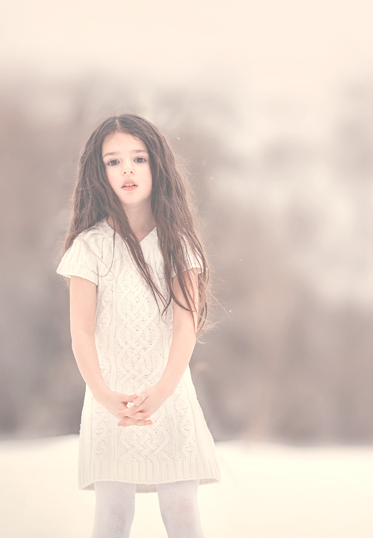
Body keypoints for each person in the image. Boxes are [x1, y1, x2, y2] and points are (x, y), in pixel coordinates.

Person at [56, 114, 220, 538]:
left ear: (157, 165)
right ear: (99, 173)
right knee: (112, 515)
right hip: (110, 401)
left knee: (182, 511)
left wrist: (162, 391)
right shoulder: (90, 246)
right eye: (113, 161)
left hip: (170, 395)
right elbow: (81, 332)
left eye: (138, 158)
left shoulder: (177, 243)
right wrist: (104, 395)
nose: (126, 169)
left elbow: (185, 327)